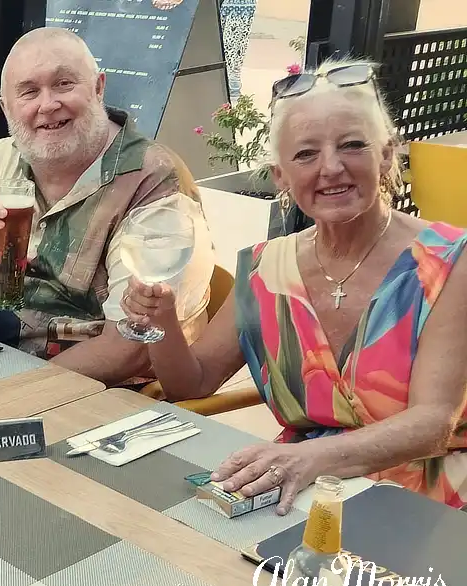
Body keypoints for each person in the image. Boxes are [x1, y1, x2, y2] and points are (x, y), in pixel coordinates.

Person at [122, 59, 467, 513]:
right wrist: (162, 320)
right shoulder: (266, 269)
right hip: (298, 496)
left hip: (429, 503)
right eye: (305, 154)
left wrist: (306, 458)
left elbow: (432, 424)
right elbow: (193, 383)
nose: (331, 167)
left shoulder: (450, 262)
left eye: (353, 145)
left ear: (386, 155)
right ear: (281, 175)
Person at [0, 27, 214, 388]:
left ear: (98, 88)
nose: (47, 105)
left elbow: (127, 346)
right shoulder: (6, 157)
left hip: (91, 393)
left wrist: (11, 390)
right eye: (29, 92)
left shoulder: (153, 181)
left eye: (64, 84)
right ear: (6, 108)